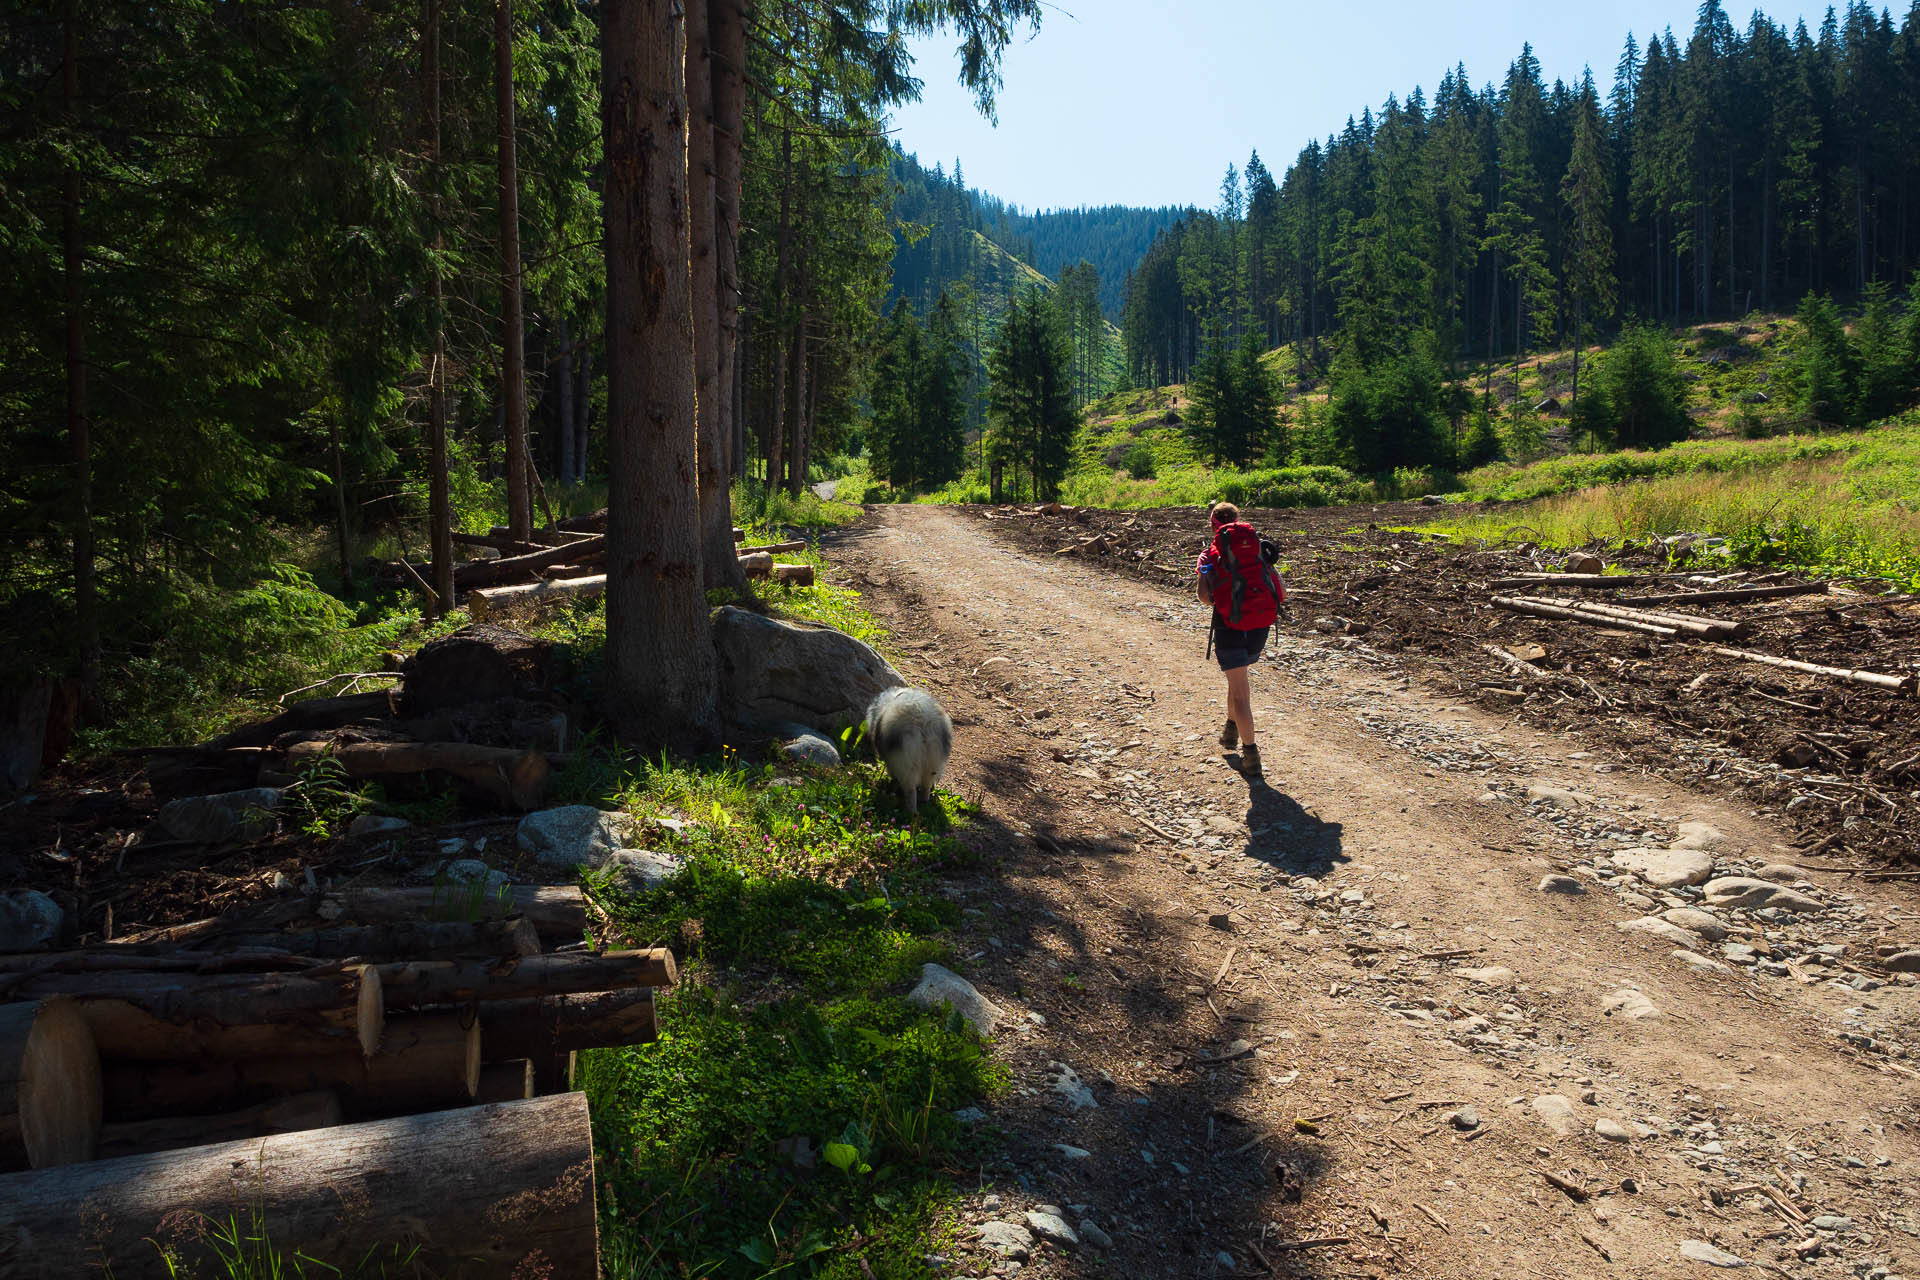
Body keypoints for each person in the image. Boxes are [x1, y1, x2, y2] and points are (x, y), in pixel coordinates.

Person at [1195, 501, 1284, 775]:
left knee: (1241, 693)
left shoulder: (1209, 555)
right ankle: (1230, 730)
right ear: (1238, 521)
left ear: (1213, 525)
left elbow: (1204, 597)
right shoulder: (1257, 549)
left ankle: (1251, 755)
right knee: (1238, 682)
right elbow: (1282, 591)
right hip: (1259, 627)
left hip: (1229, 625)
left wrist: (1226, 597)